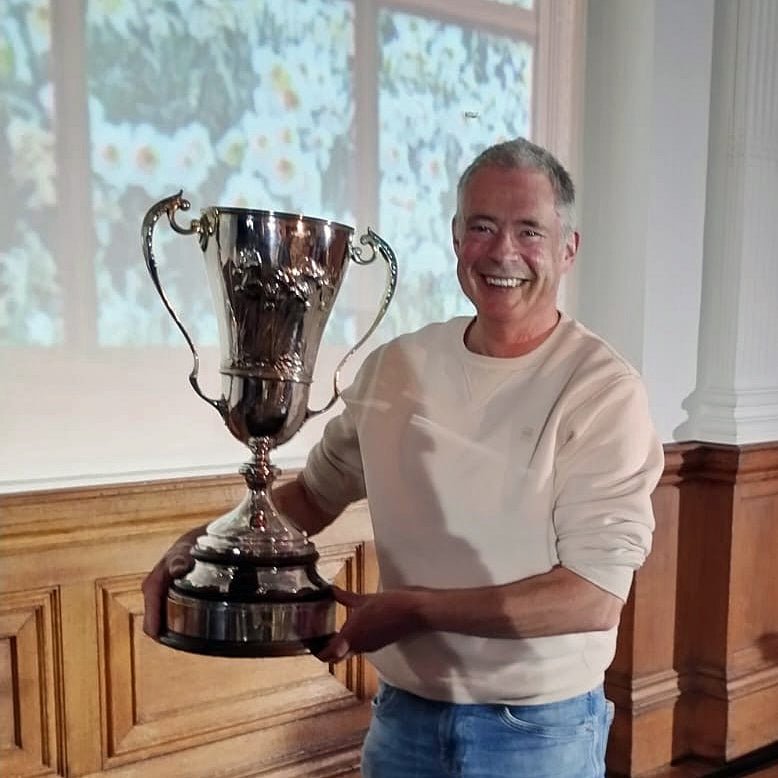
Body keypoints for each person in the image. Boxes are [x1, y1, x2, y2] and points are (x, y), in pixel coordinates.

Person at [143, 137, 664, 778]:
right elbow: (313, 495)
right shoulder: (397, 365)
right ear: (455, 237)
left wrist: (414, 609)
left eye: (529, 230)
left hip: (535, 729)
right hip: (404, 719)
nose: (503, 252)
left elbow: (591, 596)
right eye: (482, 226)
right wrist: (192, 553)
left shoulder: (601, 388)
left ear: (568, 248)